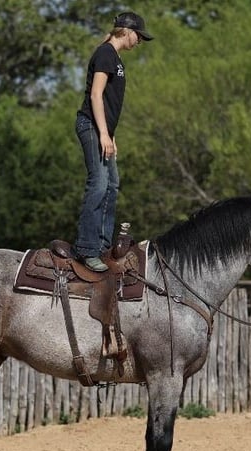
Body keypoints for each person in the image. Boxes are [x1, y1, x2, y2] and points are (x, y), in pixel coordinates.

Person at [73, 12, 153, 272]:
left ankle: (103, 246)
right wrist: (103, 134)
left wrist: (111, 134)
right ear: (127, 31)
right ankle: (86, 248)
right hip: (91, 126)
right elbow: (96, 96)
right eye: (138, 36)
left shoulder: (115, 57)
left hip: (103, 129)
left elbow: (109, 103)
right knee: (98, 183)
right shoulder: (106, 53)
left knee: (112, 184)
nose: (139, 40)